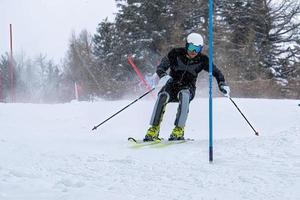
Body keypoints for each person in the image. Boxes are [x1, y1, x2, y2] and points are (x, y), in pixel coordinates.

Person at [144, 32, 230, 141]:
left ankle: (179, 130)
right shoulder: (175, 53)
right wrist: (163, 76)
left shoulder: (203, 60)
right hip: (171, 84)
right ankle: (154, 129)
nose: (193, 52)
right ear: (186, 45)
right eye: (191, 47)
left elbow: (216, 72)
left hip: (188, 87)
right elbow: (161, 67)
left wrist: (222, 83)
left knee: (184, 95)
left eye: (197, 49)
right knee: (162, 95)